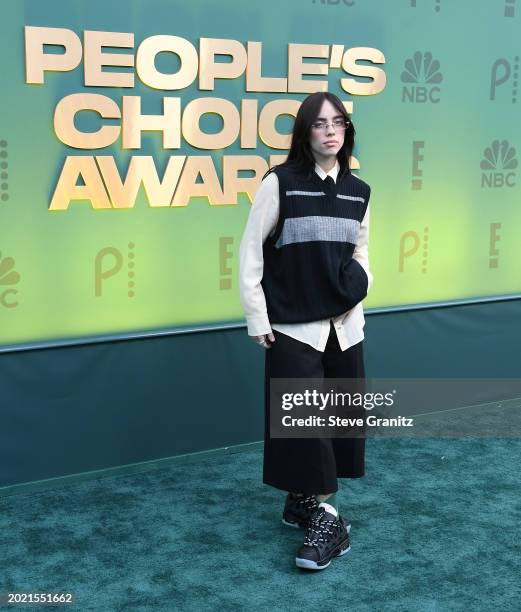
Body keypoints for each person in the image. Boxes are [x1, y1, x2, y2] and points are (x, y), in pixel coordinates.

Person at [238, 91, 373, 571]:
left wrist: (358, 286)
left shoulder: (359, 191)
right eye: (320, 125)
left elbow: (361, 255)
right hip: (293, 325)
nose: (330, 131)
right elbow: (251, 254)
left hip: (345, 325)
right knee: (305, 424)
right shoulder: (280, 183)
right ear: (304, 132)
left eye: (338, 123)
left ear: (346, 130)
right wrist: (259, 318)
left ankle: (302, 502)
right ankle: (329, 523)